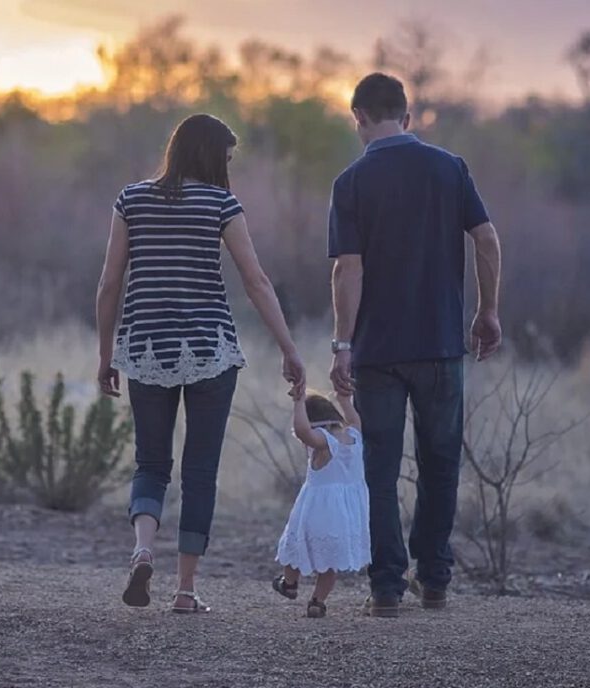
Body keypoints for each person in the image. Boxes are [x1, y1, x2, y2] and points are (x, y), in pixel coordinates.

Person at [96, 113, 306, 614]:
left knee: (150, 463)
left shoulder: (131, 200)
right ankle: (185, 591)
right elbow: (256, 282)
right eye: (227, 158)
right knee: (200, 472)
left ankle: (143, 548)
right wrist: (289, 348)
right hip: (210, 350)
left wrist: (106, 355)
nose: (229, 168)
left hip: (146, 349)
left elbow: (109, 284)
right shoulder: (221, 204)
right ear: (212, 156)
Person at [327, 73, 503, 617]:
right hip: (441, 346)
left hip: (378, 351)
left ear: (358, 117)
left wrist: (341, 344)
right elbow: (487, 238)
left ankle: (385, 589)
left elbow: (347, 270)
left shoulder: (351, 181)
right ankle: (435, 580)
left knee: (379, 468)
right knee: (440, 462)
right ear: (407, 116)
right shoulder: (450, 168)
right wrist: (487, 310)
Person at [272, 390, 370, 618]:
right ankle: (317, 601)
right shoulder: (354, 435)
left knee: (295, 546)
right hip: (346, 515)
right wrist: (344, 398)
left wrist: (298, 403)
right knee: (329, 562)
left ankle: (289, 583)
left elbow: (303, 431)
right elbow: (354, 418)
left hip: (317, 511)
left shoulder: (324, 442)